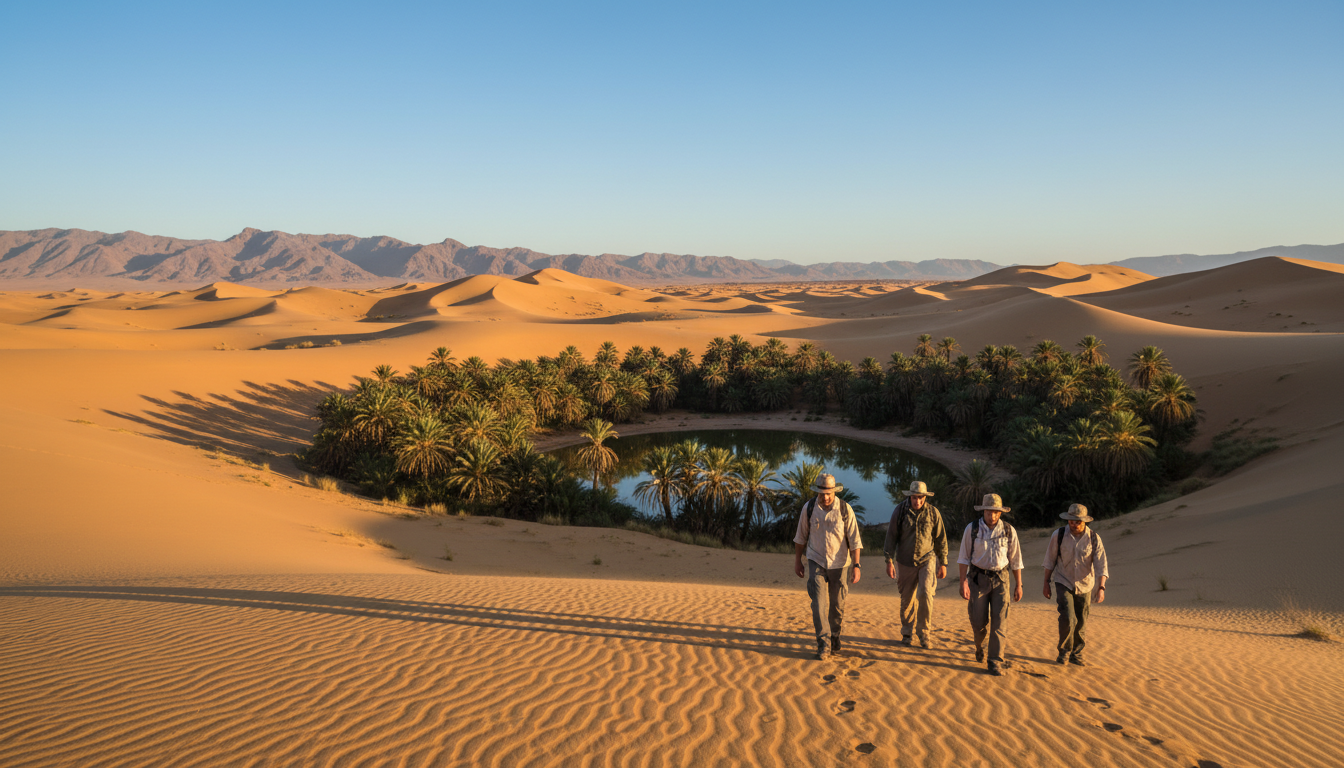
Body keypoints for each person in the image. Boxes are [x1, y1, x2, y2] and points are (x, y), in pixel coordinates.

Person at [793, 473, 862, 660]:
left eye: (828, 493)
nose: (825, 497)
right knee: (818, 604)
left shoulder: (845, 509)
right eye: (822, 493)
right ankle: (823, 643)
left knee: (837, 606)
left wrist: (856, 565)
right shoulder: (808, 509)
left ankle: (835, 635)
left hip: (840, 564)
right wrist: (798, 560)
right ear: (817, 491)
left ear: (834, 491)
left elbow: (855, 540)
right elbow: (800, 537)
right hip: (816, 560)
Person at [956, 493, 1023, 676]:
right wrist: (963, 582)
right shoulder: (972, 529)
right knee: (979, 623)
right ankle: (979, 646)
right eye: (988, 512)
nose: (992, 516)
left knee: (1000, 622)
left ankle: (995, 661)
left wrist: (1019, 585)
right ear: (983, 511)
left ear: (1000, 512)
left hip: (1001, 580)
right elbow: (963, 558)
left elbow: (1015, 560)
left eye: (995, 512)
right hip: (978, 580)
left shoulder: (1009, 531)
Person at [1042, 503, 1109, 667]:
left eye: (1077, 521)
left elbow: (1101, 565)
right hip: (1063, 580)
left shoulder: (1094, 538)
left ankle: (1077, 654)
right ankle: (1064, 652)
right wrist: (1046, 583)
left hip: (1085, 585)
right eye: (1071, 520)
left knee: (1081, 622)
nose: (1074, 524)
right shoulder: (1058, 535)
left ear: (1085, 521)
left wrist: (1101, 588)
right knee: (1068, 618)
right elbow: (1049, 561)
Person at [883, 480, 948, 649]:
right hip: (905, 561)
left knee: (926, 593)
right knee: (907, 599)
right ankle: (907, 632)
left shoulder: (933, 513)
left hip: (927, 559)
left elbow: (941, 539)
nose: (917, 501)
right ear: (909, 497)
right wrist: (889, 561)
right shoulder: (900, 511)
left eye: (920, 497)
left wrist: (943, 563)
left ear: (925, 497)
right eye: (914, 497)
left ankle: (924, 633)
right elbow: (891, 537)